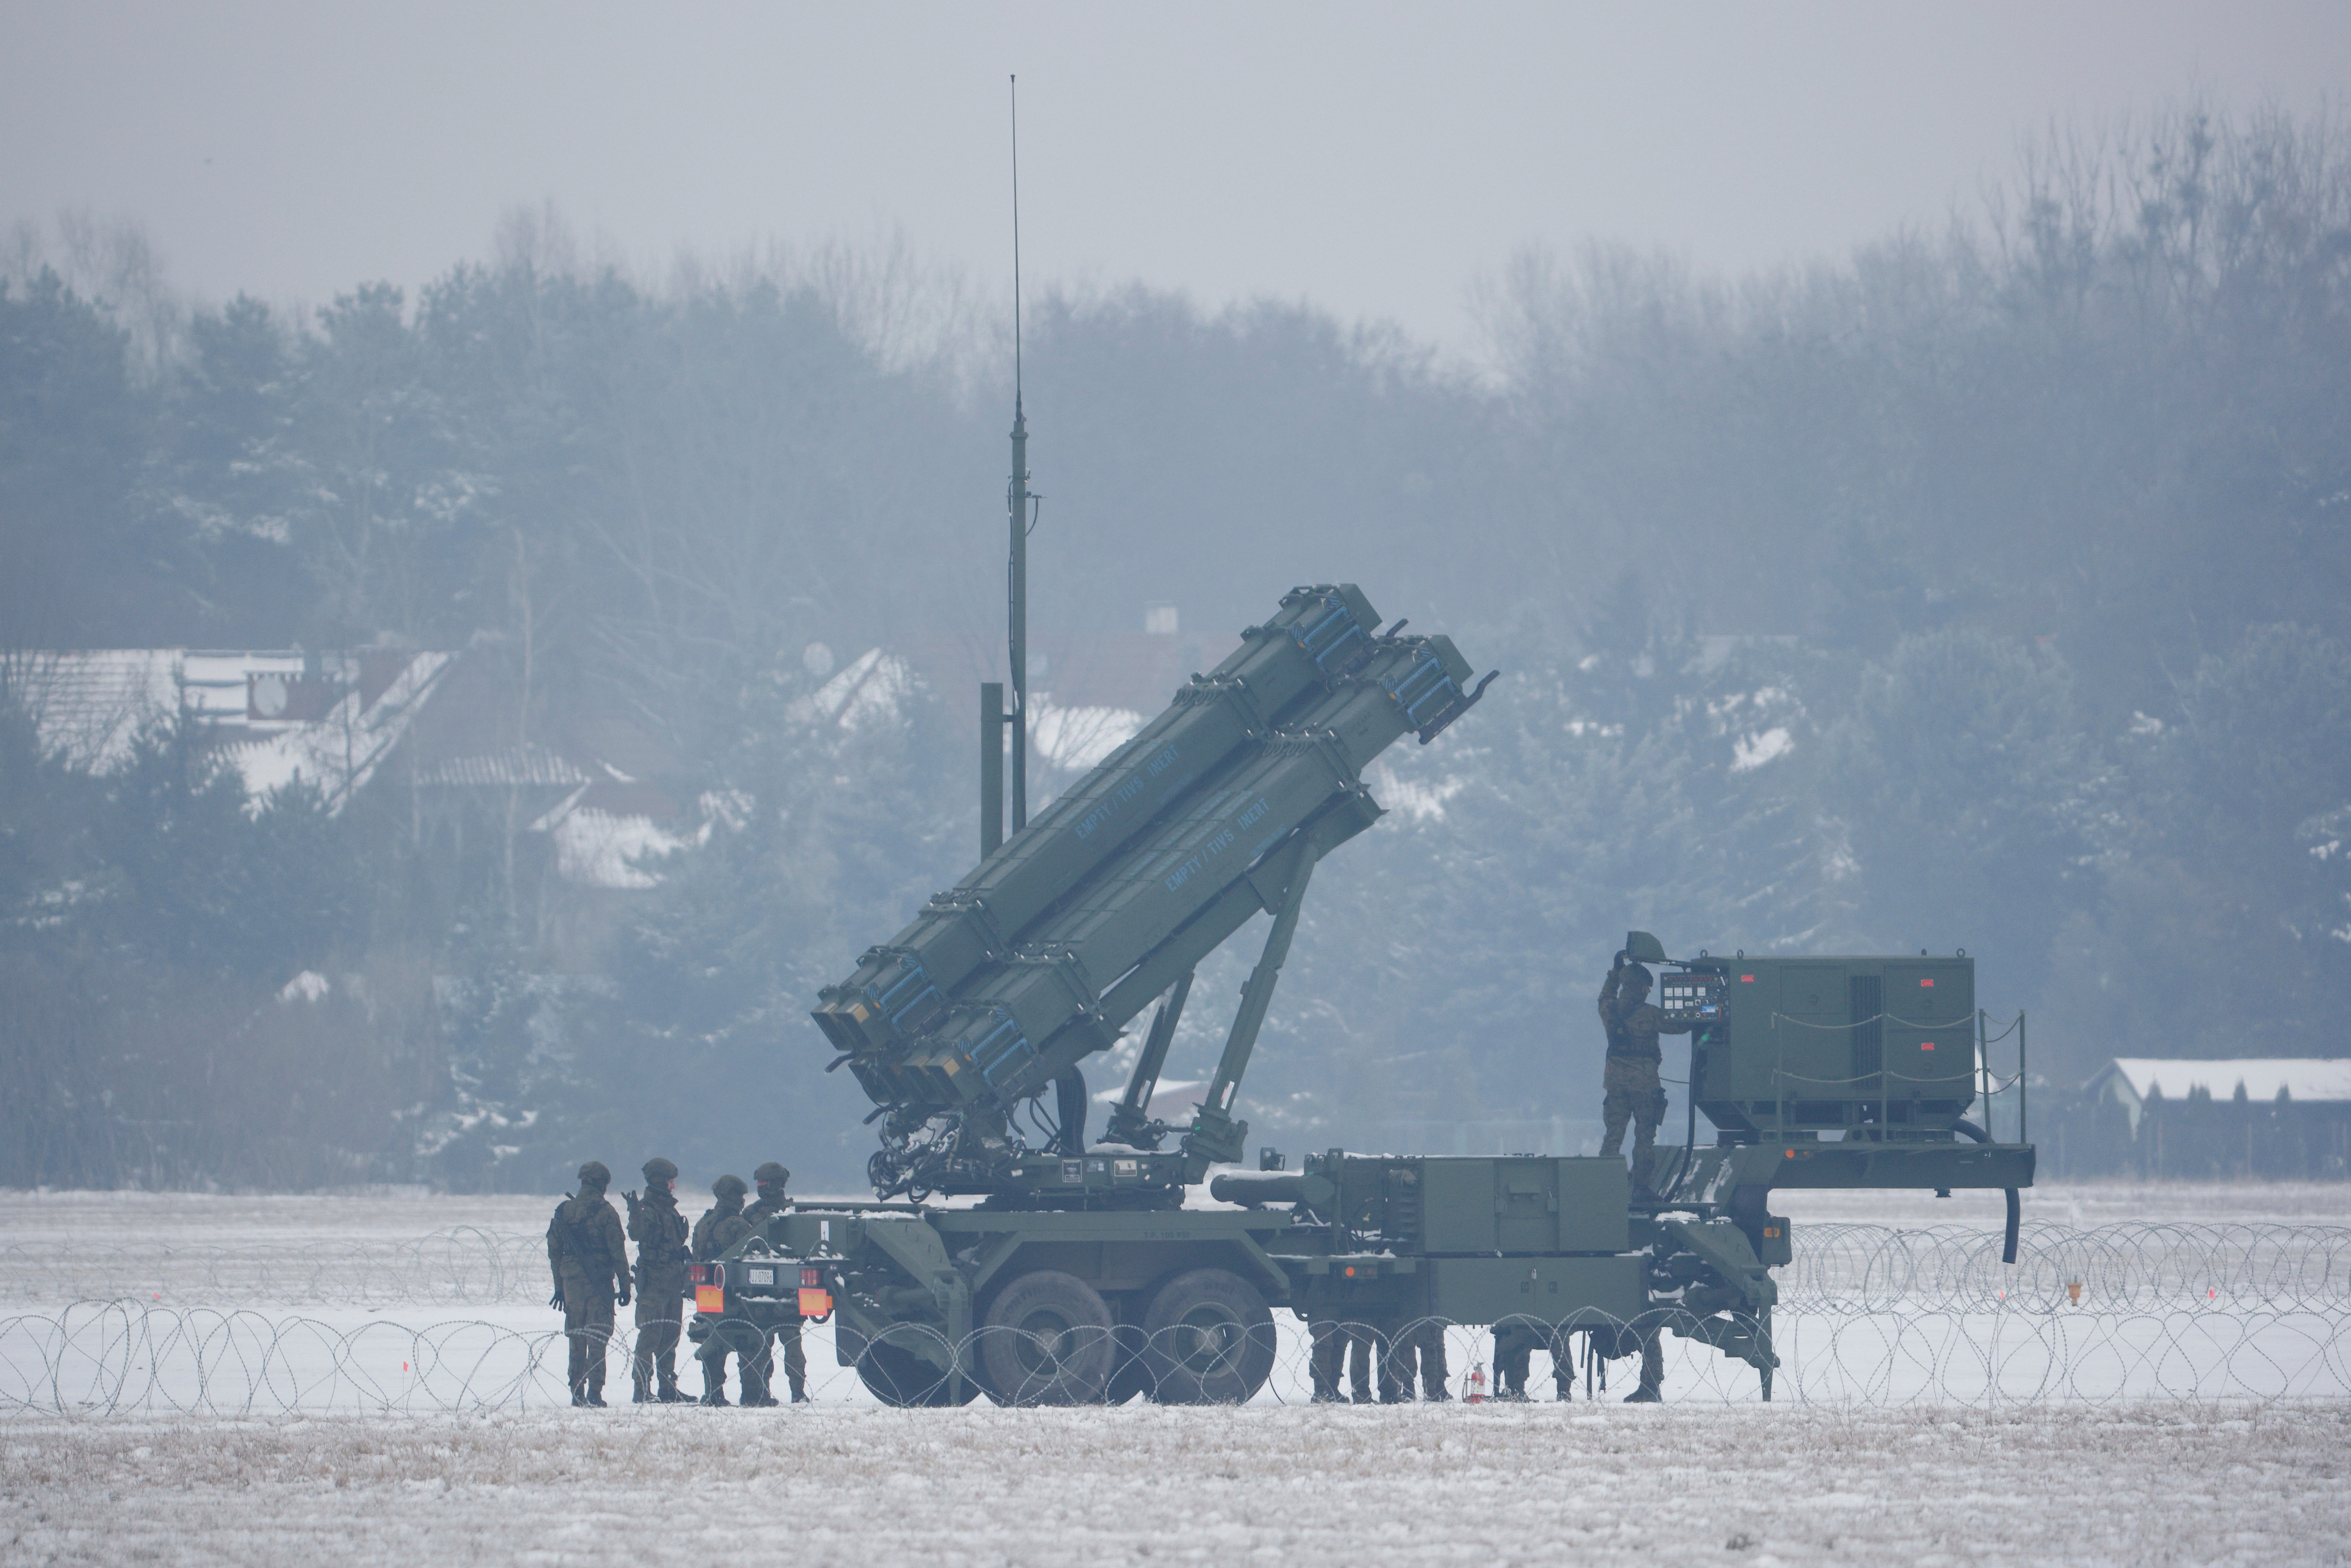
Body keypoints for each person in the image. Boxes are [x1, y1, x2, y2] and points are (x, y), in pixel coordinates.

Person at [1597, 954, 1696, 1169]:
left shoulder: (1609, 1012)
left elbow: (1605, 995)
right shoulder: (1650, 1015)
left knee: (1613, 1138)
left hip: (1615, 1085)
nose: (1648, 991)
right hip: (1645, 1085)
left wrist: (1615, 974)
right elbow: (1680, 1026)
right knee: (1645, 1140)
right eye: (1645, 987)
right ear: (1638, 988)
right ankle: (1641, 1189)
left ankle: (1604, 1186)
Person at [547, 1161, 631, 1407]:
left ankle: (576, 1390)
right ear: (601, 1183)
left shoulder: (564, 1211)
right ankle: (595, 1391)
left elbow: (554, 1253)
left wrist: (559, 1287)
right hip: (599, 1284)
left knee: (577, 1336)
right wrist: (625, 1286)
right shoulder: (606, 1212)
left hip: (572, 1284)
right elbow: (618, 1253)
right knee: (598, 1336)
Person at [691, 1174, 772, 1406]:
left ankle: (713, 1394)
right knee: (751, 1340)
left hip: (709, 1291)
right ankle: (753, 1395)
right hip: (737, 1293)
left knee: (714, 1341)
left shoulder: (704, 1222)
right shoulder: (737, 1224)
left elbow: (697, 1255)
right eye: (740, 1196)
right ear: (734, 1197)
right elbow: (754, 1255)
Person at [624, 1156, 692, 1403]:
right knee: (650, 1338)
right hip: (654, 1283)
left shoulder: (668, 1210)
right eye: (671, 1182)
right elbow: (636, 1234)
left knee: (671, 1338)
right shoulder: (647, 1209)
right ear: (660, 1182)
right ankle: (642, 1389)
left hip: (674, 1282)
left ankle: (667, 1388)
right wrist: (634, 1212)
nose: (673, 1187)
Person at [743, 1161, 807, 1403]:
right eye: (758, 1183)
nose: (760, 1187)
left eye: (764, 1183)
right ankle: (760, 1393)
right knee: (760, 1346)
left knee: (793, 1345)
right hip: (759, 1287)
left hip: (788, 1287)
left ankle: (798, 1393)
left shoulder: (793, 1213)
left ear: (776, 1184)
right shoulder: (750, 1213)